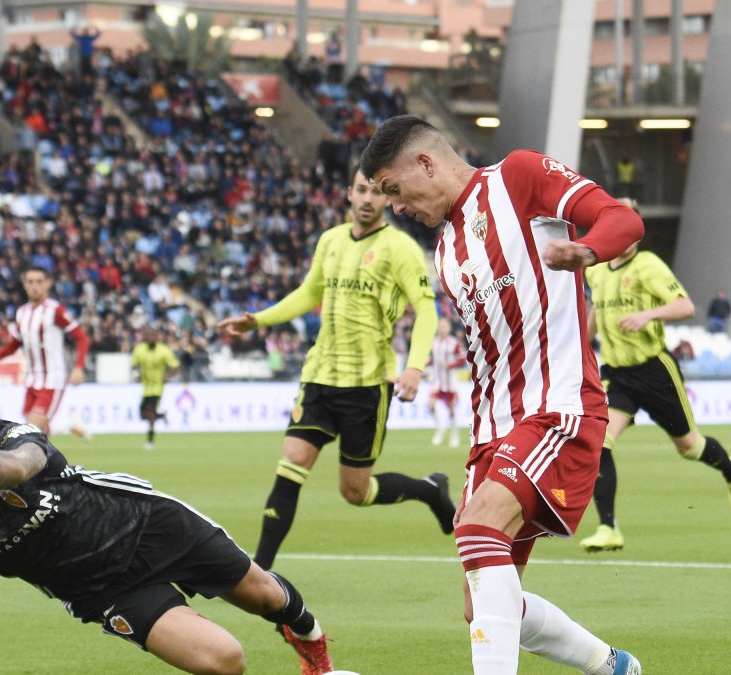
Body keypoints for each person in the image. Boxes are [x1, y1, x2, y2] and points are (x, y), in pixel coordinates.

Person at [0, 376, 336, 675]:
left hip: (148, 524)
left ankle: (317, 658)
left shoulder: (11, 436)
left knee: (267, 595)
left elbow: (19, 467)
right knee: (225, 662)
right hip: (102, 590)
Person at [360, 115, 643, 675]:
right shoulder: (445, 250)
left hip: (557, 409)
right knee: (486, 607)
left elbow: (622, 219)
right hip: (493, 432)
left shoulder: (518, 176)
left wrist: (587, 251)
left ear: (426, 163)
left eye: (393, 190)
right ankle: (611, 666)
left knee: (478, 527)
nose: (394, 207)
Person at [217, 166, 455, 572]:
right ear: (348, 193)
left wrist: (414, 367)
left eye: (376, 193)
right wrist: (257, 320)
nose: (367, 199)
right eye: (360, 190)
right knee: (291, 463)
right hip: (320, 376)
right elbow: (307, 294)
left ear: (387, 199)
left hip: (367, 384)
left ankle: (429, 490)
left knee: (356, 492)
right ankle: (260, 573)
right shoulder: (330, 241)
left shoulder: (400, 248)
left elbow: (426, 311)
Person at [580, 198, 731, 555]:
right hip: (617, 373)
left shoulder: (648, 266)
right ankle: (608, 527)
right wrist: (580, 340)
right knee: (599, 443)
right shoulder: (595, 270)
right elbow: (596, 308)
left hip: (654, 370)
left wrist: (648, 316)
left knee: (689, 447)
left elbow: (685, 306)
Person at [0, 265, 91, 441]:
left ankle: (64, 430)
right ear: (24, 284)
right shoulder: (22, 312)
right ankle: (69, 424)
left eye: (39, 282)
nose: (35, 286)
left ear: (47, 284)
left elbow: (82, 338)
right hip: (32, 380)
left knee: (30, 432)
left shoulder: (55, 311)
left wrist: (79, 367)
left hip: (52, 380)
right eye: (30, 282)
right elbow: (14, 344)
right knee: (35, 432)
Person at [131, 326, 180, 450]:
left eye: (154, 336)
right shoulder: (140, 350)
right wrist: (137, 374)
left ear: (157, 338)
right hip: (146, 387)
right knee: (143, 414)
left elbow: (175, 365)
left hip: (157, 387)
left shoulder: (163, 350)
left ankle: (150, 441)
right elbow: (134, 365)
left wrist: (168, 375)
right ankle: (161, 416)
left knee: (149, 411)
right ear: (146, 337)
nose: (152, 338)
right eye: (149, 336)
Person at [426, 317, 466, 448]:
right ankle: (441, 428)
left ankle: (454, 434)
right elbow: (434, 360)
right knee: (431, 405)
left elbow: (462, 360)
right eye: (440, 326)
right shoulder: (433, 342)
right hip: (436, 380)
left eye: (444, 326)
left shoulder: (454, 343)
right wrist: (428, 364)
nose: (441, 329)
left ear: (448, 328)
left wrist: (450, 365)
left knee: (451, 409)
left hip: (449, 381)